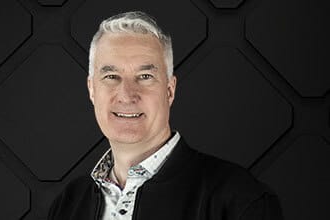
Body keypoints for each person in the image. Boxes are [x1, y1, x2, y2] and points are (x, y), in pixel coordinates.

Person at [48, 11, 284, 220]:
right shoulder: (68, 203)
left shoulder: (239, 199)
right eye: (111, 77)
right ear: (91, 89)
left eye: (145, 77)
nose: (127, 95)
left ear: (169, 91)